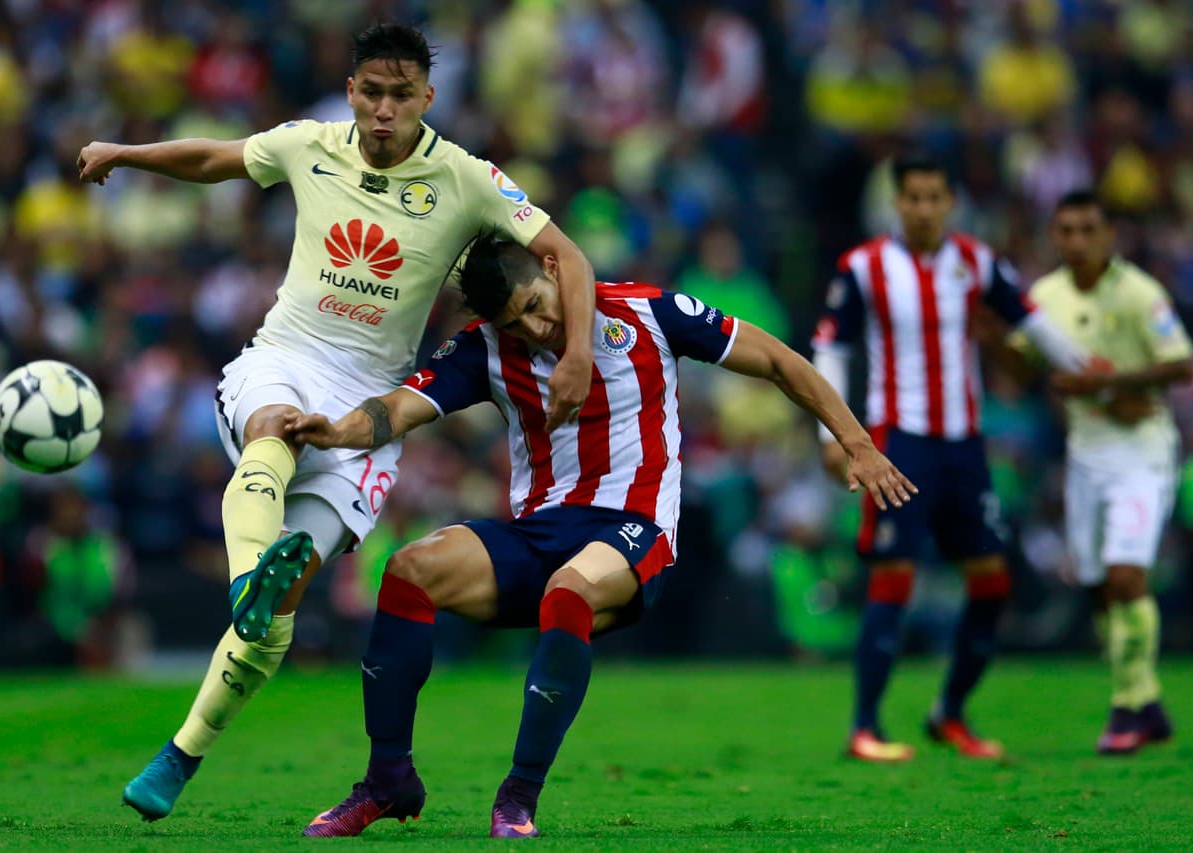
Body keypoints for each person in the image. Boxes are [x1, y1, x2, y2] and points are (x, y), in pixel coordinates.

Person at [76, 22, 598, 821]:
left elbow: (567, 255)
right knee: (274, 431)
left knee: (274, 628)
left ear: (427, 97)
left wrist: (574, 355)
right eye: (372, 93)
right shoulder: (307, 143)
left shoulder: (466, 178)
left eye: (402, 95)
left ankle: (179, 754)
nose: (385, 111)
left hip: (369, 408)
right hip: (284, 356)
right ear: (352, 91)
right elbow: (216, 158)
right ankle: (252, 574)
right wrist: (127, 153)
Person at [283, 233, 916, 838]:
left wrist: (856, 443)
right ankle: (387, 779)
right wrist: (335, 431)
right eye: (514, 322)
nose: (532, 329)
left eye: (534, 306)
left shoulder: (648, 312)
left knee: (570, 590)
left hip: (634, 531)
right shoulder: (484, 349)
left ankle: (518, 797)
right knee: (408, 569)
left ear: (555, 273)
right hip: (538, 531)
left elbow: (778, 359)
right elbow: (399, 410)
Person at [810, 154, 1085, 762]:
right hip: (898, 442)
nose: (924, 209)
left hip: (964, 444)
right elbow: (831, 346)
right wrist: (831, 435)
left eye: (935, 197)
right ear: (897, 203)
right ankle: (865, 728)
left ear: (949, 202)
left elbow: (1031, 322)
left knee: (991, 582)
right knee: (893, 577)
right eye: (913, 198)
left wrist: (1089, 371)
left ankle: (950, 713)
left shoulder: (976, 262)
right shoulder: (864, 267)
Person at [1013, 190, 1193, 753]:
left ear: (1108, 234)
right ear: (1054, 236)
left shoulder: (1140, 293)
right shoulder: (1044, 298)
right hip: (1085, 456)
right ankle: (1150, 701)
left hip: (1142, 449)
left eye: (1088, 229)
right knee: (1096, 588)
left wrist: (1110, 385)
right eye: (1066, 230)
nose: (1077, 241)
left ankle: (1125, 709)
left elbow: (1182, 364)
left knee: (1125, 578)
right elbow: (1024, 363)